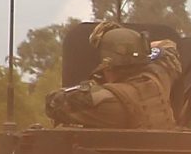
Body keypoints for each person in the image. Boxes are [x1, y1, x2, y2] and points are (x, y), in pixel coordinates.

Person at [45, 24, 183, 128]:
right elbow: (168, 47)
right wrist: (130, 43)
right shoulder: (159, 78)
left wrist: (94, 85)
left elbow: (54, 103)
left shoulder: (110, 102)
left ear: (107, 66)